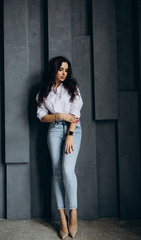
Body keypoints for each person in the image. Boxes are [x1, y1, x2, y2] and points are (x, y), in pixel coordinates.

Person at [36, 56, 83, 239]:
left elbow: (75, 114)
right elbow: (41, 116)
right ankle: (61, 217)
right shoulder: (43, 92)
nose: (64, 73)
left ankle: (73, 213)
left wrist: (70, 135)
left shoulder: (73, 88)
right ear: (54, 70)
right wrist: (59, 116)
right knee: (56, 172)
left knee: (67, 170)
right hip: (54, 130)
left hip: (73, 130)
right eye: (61, 69)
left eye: (66, 70)